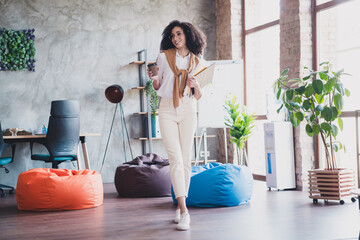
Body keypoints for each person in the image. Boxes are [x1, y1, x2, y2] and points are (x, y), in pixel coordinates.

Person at [147, 20, 207, 231]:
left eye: (179, 34)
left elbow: (198, 95)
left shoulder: (198, 62)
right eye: (173, 35)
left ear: (188, 36)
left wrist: (196, 85)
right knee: (175, 158)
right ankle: (184, 211)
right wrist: (153, 78)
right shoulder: (164, 57)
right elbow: (158, 85)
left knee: (186, 161)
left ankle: (181, 204)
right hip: (166, 109)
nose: (175, 38)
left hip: (188, 108)